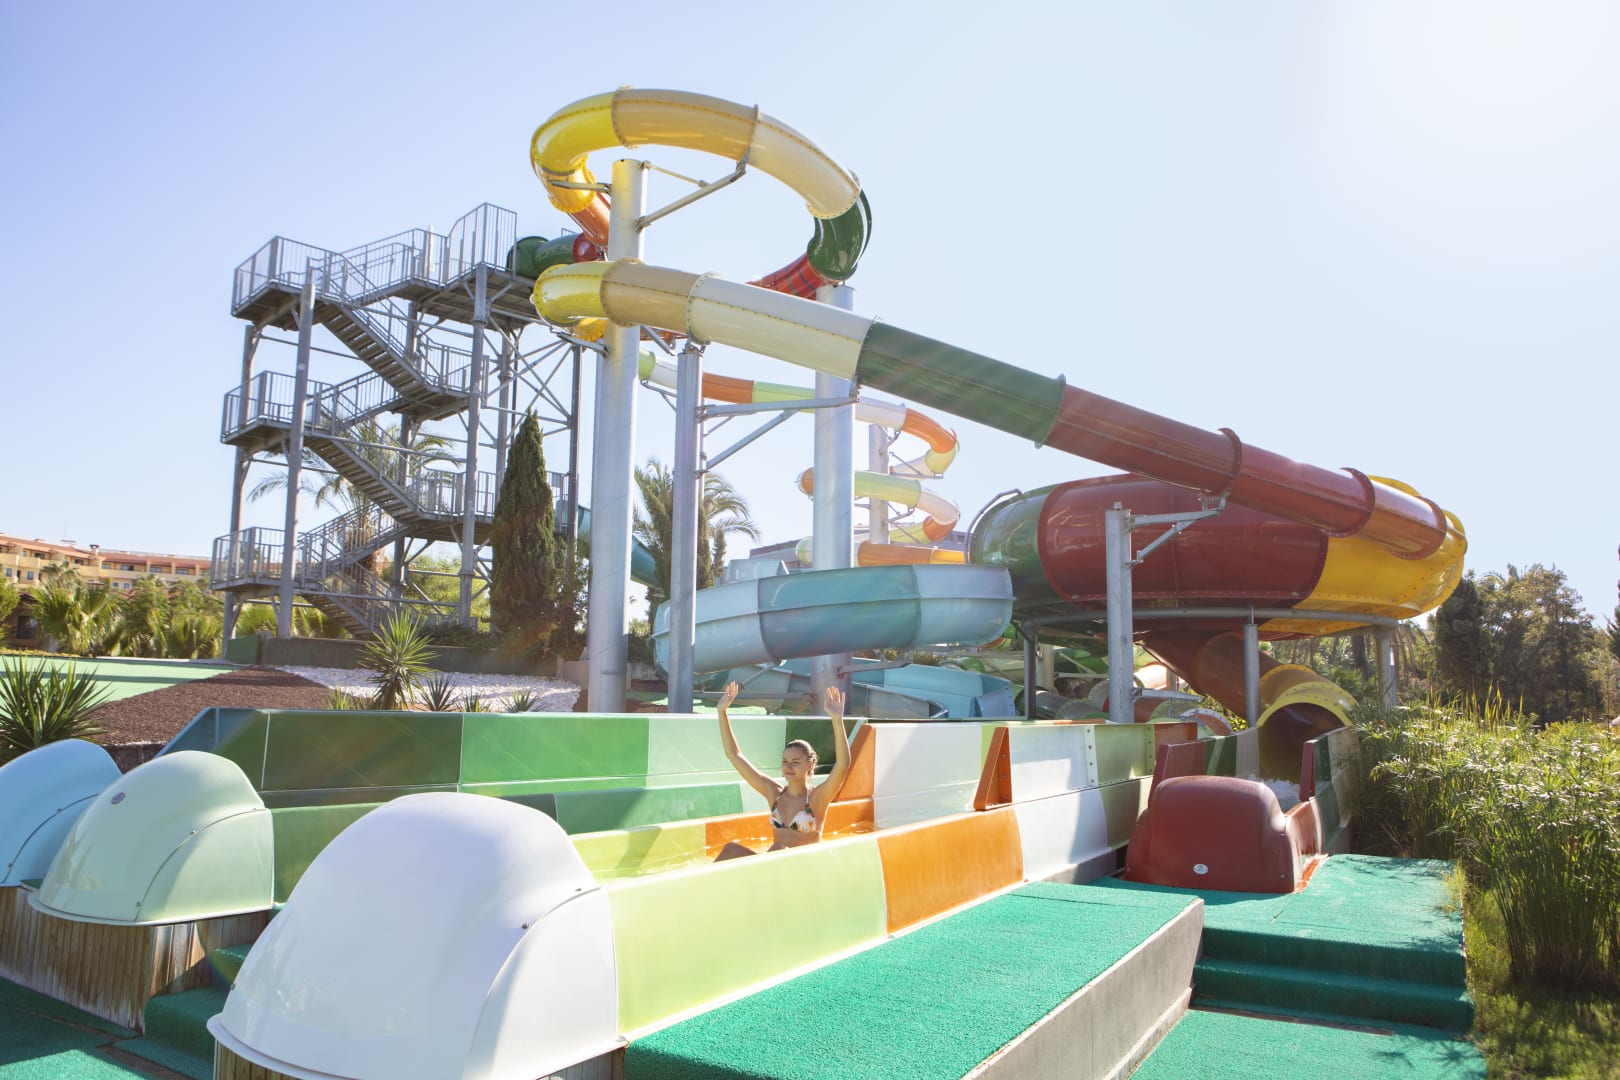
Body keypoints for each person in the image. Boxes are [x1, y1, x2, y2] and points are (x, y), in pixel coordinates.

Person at [714, 680, 852, 859]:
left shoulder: (817, 798)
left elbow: (842, 765)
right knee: (730, 850)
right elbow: (735, 756)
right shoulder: (774, 794)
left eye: (795, 762)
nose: (788, 766)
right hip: (775, 865)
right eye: (785, 761)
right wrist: (722, 712)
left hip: (803, 866)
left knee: (779, 848)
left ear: (810, 765)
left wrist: (837, 719)